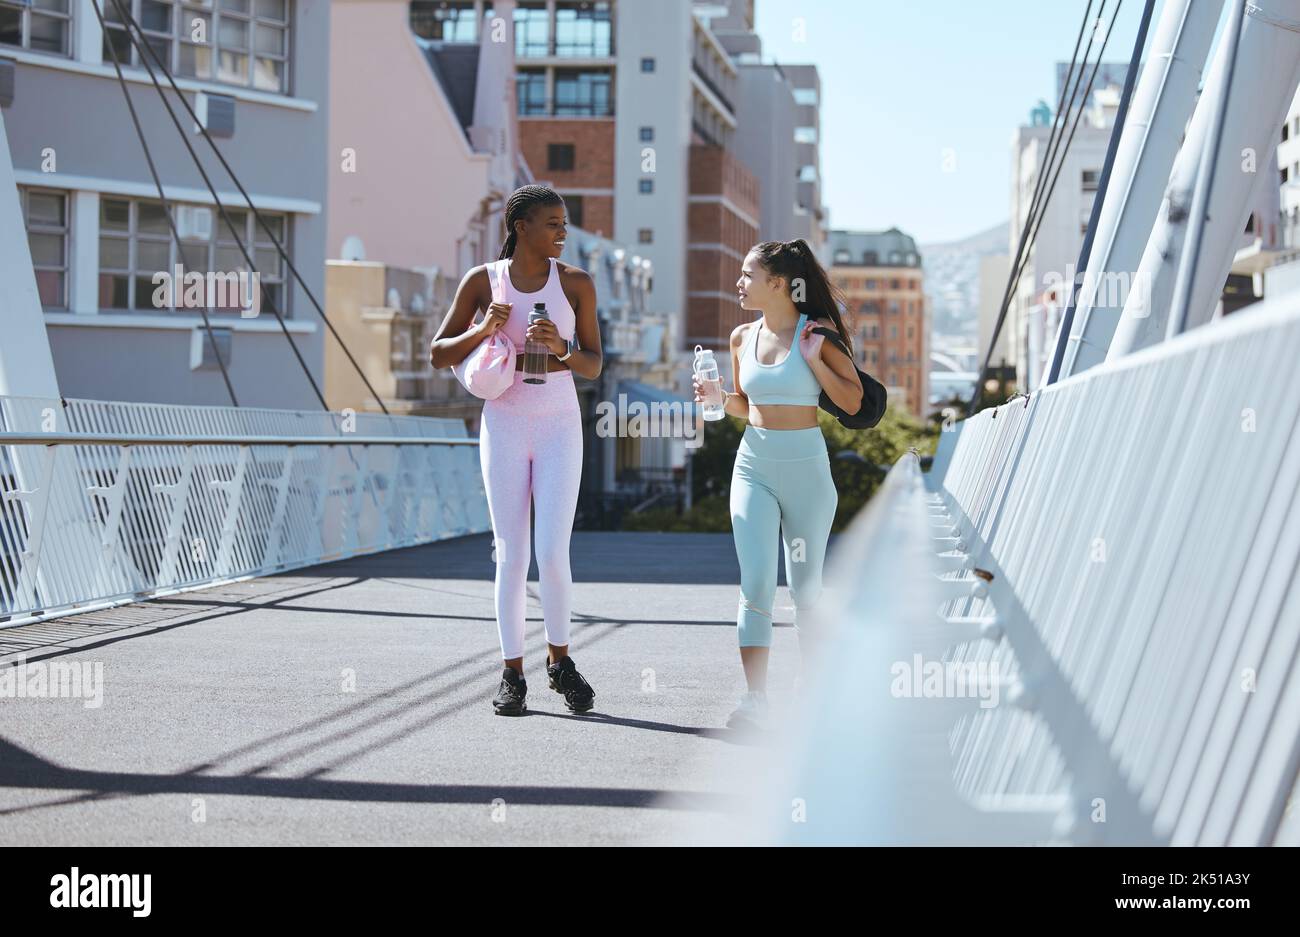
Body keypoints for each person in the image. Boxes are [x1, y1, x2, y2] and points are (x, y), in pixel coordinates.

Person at [430, 185, 602, 716]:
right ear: (520, 225)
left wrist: (560, 348)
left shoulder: (575, 283)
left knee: (551, 553)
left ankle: (559, 661)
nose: (561, 232)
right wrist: (485, 326)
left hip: (558, 425)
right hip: (503, 424)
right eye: (551, 223)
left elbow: (594, 365)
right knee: (510, 554)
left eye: (564, 223)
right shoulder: (484, 281)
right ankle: (511, 673)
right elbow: (439, 354)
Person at [694, 239, 863, 731]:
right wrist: (719, 398)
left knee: (807, 591)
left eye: (748, 275)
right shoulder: (740, 337)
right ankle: (755, 700)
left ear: (778, 284)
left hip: (807, 472)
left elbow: (852, 403)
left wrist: (812, 359)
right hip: (753, 467)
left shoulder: (817, 335)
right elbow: (747, 405)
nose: (739, 283)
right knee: (756, 584)